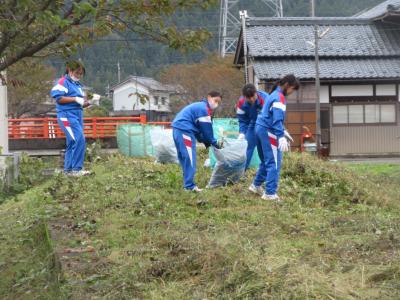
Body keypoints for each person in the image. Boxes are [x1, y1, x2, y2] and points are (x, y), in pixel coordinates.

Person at [249, 74, 300, 201]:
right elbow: (277, 120)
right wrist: (280, 136)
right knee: (274, 162)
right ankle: (270, 193)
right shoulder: (279, 98)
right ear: (287, 85)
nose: (292, 92)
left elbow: (271, 116)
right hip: (268, 131)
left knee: (266, 161)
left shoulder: (273, 94)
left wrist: (283, 131)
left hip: (260, 128)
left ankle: (256, 185)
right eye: (292, 89)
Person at [172, 91, 223, 192]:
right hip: (185, 131)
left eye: (218, 102)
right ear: (209, 97)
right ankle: (189, 187)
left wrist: (206, 142)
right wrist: (214, 142)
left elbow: (199, 132)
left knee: (185, 159)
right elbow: (207, 131)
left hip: (178, 130)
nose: (216, 104)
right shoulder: (204, 109)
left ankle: (187, 183)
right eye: (215, 100)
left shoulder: (199, 106)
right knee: (190, 159)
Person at [50, 60, 91, 176]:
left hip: (77, 115)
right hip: (66, 116)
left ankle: (68, 170)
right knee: (79, 139)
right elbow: (59, 99)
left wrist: (89, 102)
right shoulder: (63, 82)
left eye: (80, 74)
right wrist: (74, 99)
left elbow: (81, 102)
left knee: (72, 141)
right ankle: (76, 169)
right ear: (69, 70)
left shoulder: (78, 85)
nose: (79, 76)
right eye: (77, 73)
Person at [236, 84, 268, 169]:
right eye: (248, 98)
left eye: (253, 96)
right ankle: (241, 172)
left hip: (266, 125)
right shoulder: (241, 102)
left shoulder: (265, 99)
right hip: (253, 123)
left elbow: (274, 116)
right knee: (247, 146)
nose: (251, 99)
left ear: (256, 93)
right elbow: (242, 120)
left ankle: (267, 171)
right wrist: (242, 133)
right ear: (244, 96)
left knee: (266, 149)